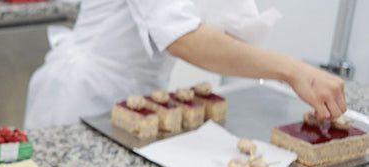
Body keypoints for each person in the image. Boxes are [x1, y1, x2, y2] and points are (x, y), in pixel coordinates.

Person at [24, 0, 347, 130]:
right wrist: (293, 69)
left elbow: (236, 32)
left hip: (141, 98)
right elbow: (183, 39)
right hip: (83, 92)